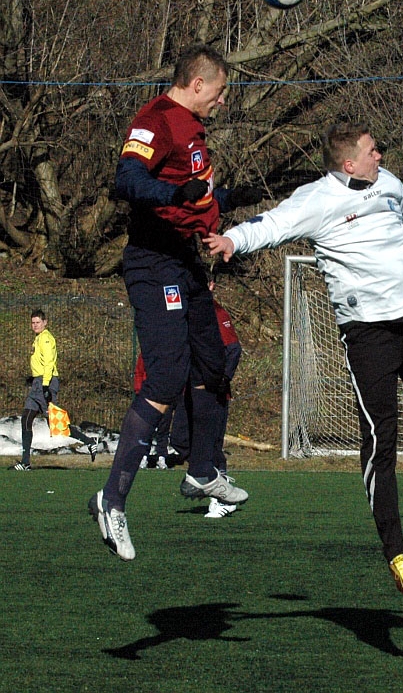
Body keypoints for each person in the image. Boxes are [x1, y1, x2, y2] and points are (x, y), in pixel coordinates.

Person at [204, 121, 403, 596]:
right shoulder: (317, 199)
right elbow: (273, 225)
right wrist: (232, 240)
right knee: (380, 440)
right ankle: (397, 554)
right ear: (349, 163)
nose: (380, 156)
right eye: (373, 150)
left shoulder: (388, 184)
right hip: (369, 336)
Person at [88, 44, 259, 561]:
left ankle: (203, 471)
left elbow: (199, 197)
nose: (224, 102)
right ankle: (112, 501)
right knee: (165, 377)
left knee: (216, 359)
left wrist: (241, 195)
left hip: (184, 264)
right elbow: (128, 180)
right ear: (199, 84)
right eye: (222, 91)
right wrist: (176, 197)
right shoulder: (157, 118)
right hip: (152, 263)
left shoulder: (195, 132)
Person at [170, 279, 243, 517]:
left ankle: (223, 495)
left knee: (210, 445)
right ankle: (206, 475)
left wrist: (221, 379)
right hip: (187, 391)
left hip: (211, 392)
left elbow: (233, 348)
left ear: (210, 285)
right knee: (180, 440)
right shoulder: (181, 312)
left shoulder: (215, 311)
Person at [11, 309, 98, 470]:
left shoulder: (46, 339)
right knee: (26, 419)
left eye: (38, 322)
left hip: (45, 382)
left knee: (56, 424)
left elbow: (49, 363)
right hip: (38, 383)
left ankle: (89, 442)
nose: (35, 325)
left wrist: (45, 385)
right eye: (33, 322)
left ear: (45, 322)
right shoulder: (39, 338)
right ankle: (25, 462)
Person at [133, 353, 172, 469]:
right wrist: (139, 390)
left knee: (163, 428)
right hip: (148, 394)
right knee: (146, 428)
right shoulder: (145, 354)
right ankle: (143, 456)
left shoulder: (170, 354)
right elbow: (139, 372)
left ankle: (161, 457)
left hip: (165, 395)